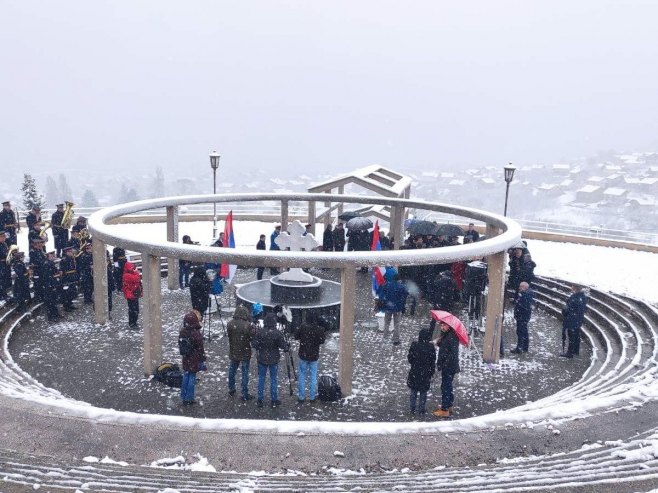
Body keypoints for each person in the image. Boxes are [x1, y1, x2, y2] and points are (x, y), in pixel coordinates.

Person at [252, 312, 288, 408]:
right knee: (273, 380)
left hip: (262, 359)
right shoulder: (277, 333)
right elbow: (283, 346)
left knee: (261, 379)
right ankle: (273, 399)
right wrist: (286, 345)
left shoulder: (260, 332)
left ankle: (260, 399)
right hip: (274, 359)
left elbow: (254, 344)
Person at [294, 312, 326, 403]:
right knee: (313, 376)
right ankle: (312, 397)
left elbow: (296, 336)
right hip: (314, 355)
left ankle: (301, 396)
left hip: (303, 354)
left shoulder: (303, 327)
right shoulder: (319, 329)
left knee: (302, 375)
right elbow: (322, 341)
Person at [432, 320, 460, 418]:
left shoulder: (451, 337)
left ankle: (444, 410)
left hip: (448, 366)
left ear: (449, 326)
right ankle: (449, 405)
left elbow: (451, 353)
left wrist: (443, 363)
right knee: (448, 385)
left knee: (445, 387)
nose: (442, 327)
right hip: (450, 366)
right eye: (441, 325)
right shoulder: (449, 335)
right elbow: (445, 346)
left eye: (444, 325)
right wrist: (438, 341)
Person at [227, 305, 255, 401]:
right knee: (244, 373)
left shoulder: (230, 324)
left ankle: (231, 388)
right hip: (245, 352)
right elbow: (252, 337)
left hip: (234, 351)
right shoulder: (247, 325)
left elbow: (229, 336)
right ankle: (244, 393)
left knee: (232, 371)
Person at [179, 311, 206, 405]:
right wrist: (202, 360)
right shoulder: (196, 333)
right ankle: (189, 398)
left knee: (186, 376)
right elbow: (200, 348)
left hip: (186, 357)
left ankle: (183, 396)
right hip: (194, 358)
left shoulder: (182, 332)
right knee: (192, 377)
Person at [407, 327, 436, 415]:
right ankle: (421, 409)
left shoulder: (414, 345)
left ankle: (412, 408)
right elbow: (432, 361)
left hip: (415, 371)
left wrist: (414, 363)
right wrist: (431, 371)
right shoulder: (431, 347)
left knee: (413, 390)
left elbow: (410, 358)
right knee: (423, 392)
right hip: (425, 373)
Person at [376, 271, 409, 346]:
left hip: (388, 307)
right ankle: (396, 340)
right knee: (396, 324)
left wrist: (384, 301)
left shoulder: (388, 285)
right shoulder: (401, 286)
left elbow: (382, 293)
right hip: (397, 309)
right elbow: (406, 294)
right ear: (399, 279)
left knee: (387, 323)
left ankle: (385, 337)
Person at [561, 285, 589, 358]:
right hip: (577, 320)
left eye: (572, 287)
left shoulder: (576, 298)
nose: (571, 288)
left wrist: (565, 311)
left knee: (572, 336)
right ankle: (575, 351)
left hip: (573, 320)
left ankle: (570, 353)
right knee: (576, 335)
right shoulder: (581, 297)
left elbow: (571, 309)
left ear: (575, 289)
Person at [511, 282, 533, 354]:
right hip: (523, 316)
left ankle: (519, 348)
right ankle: (524, 347)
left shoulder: (525, 295)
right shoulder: (525, 294)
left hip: (522, 316)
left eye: (521, 286)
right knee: (524, 331)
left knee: (520, 331)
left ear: (525, 287)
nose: (519, 288)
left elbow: (523, 306)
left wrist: (518, 305)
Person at [42, 250, 62, 321]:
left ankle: (55, 313)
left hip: (53, 284)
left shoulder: (51, 263)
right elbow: (47, 276)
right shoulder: (46, 264)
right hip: (49, 285)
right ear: (48, 256)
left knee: (54, 300)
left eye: (53, 255)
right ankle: (51, 316)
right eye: (51, 255)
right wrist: (51, 285)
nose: (53, 256)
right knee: (50, 302)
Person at [122, 261, 142, 328]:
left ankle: (134, 322)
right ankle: (132, 323)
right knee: (133, 310)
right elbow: (136, 279)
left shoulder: (129, 274)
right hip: (131, 295)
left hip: (133, 294)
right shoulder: (126, 275)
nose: (134, 269)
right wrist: (136, 273)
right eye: (132, 268)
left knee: (135, 309)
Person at [59, 246, 79, 311]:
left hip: (72, 276)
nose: (72, 252)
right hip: (67, 277)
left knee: (72, 292)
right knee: (67, 293)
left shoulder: (71, 258)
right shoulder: (64, 259)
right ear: (67, 252)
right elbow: (62, 270)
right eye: (70, 251)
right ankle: (66, 306)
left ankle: (70, 303)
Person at [0, 231, 10, 300]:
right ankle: (2, 295)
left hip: (5, 264)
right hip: (1, 264)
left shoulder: (4, 244)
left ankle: (4, 294)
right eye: (2, 236)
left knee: (4, 280)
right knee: (1, 281)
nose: (4, 238)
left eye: (4, 236)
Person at [106, 250, 116, 318]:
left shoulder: (107, 269)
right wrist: (112, 286)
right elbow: (110, 279)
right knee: (108, 301)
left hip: (107, 286)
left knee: (107, 301)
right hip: (108, 287)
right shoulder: (107, 270)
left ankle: (107, 313)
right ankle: (107, 314)